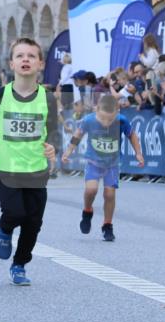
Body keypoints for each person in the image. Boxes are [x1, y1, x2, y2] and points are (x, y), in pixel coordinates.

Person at [0, 38, 60, 286]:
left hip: (37, 170)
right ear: (11, 63)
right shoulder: (1, 95)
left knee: (33, 223)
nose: (25, 60)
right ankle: (4, 230)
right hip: (8, 168)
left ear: (40, 64)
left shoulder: (48, 98)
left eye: (31, 56)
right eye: (20, 56)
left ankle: (19, 264)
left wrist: (52, 145)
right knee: (15, 212)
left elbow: (53, 130)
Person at [61, 94, 144, 242]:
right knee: (91, 190)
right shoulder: (89, 120)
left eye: (110, 120)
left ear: (117, 112)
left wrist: (138, 153)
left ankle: (107, 225)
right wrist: (68, 151)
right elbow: (78, 135)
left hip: (112, 164)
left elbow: (132, 136)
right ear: (97, 109)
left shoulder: (122, 120)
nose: (106, 123)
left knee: (109, 194)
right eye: (103, 119)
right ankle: (87, 211)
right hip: (93, 162)